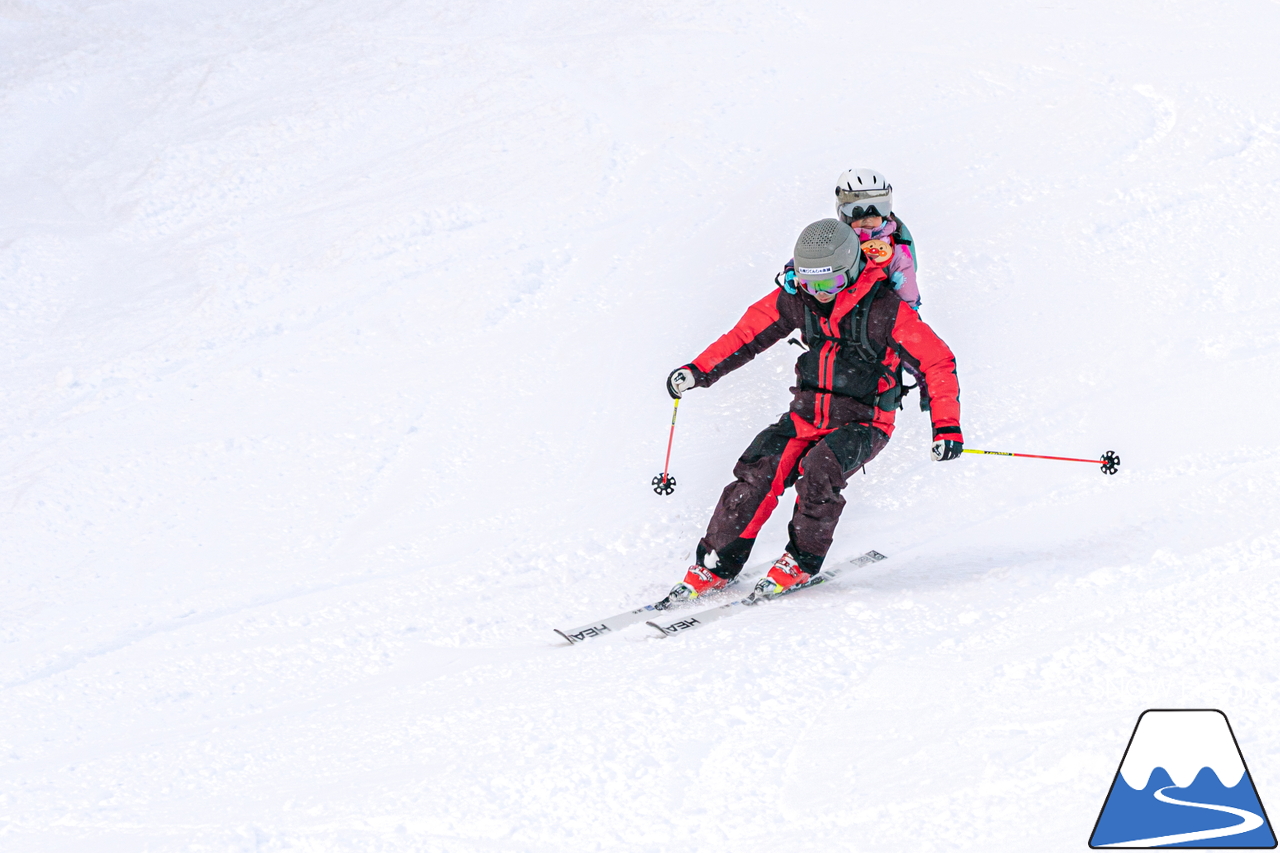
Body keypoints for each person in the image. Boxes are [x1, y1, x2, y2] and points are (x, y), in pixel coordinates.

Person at [664, 218, 963, 600]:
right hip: (807, 413)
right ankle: (717, 562)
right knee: (759, 468)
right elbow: (745, 336)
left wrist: (947, 427)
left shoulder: (884, 309)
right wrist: (697, 371)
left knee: (820, 469)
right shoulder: (795, 298)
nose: (820, 293)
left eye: (831, 283)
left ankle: (801, 561)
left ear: (852, 269)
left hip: (865, 420)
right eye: (811, 283)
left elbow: (936, 361)